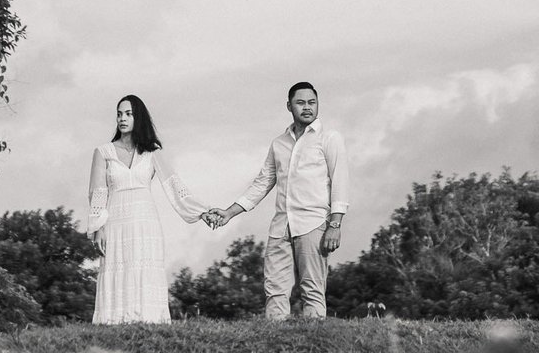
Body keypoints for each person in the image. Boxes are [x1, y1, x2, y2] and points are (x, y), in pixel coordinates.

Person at [204, 81, 348, 320]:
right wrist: (229, 212)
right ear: (289, 106)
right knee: (275, 290)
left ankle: (316, 344)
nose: (307, 108)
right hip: (281, 226)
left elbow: (340, 181)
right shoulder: (279, 143)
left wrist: (335, 224)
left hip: (314, 223)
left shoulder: (329, 139)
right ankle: (275, 340)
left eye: (312, 102)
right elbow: (263, 182)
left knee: (312, 289)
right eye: (300, 103)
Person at [87, 94, 212, 324]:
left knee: (144, 268)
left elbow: (174, 186)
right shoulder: (103, 152)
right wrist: (98, 227)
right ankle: (113, 321)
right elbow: (97, 193)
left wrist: (201, 212)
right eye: (119, 114)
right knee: (118, 269)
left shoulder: (152, 152)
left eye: (128, 114)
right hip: (115, 222)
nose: (122, 119)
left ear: (139, 117)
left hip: (145, 222)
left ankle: (149, 320)